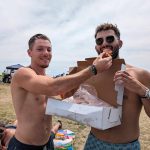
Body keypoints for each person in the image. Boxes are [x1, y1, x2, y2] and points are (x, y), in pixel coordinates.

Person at [8, 33, 112, 150]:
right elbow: (53, 87)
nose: (46, 53)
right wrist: (93, 69)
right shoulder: (23, 73)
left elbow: (61, 97)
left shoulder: (48, 79)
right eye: (40, 49)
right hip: (25, 145)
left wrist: (79, 87)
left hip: (47, 144)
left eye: (49, 49)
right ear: (29, 52)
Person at [84, 23, 150, 150]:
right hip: (93, 141)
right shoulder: (91, 74)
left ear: (120, 43)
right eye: (99, 41)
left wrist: (141, 90)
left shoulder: (140, 74)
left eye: (110, 39)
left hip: (126, 146)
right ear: (96, 47)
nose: (104, 44)